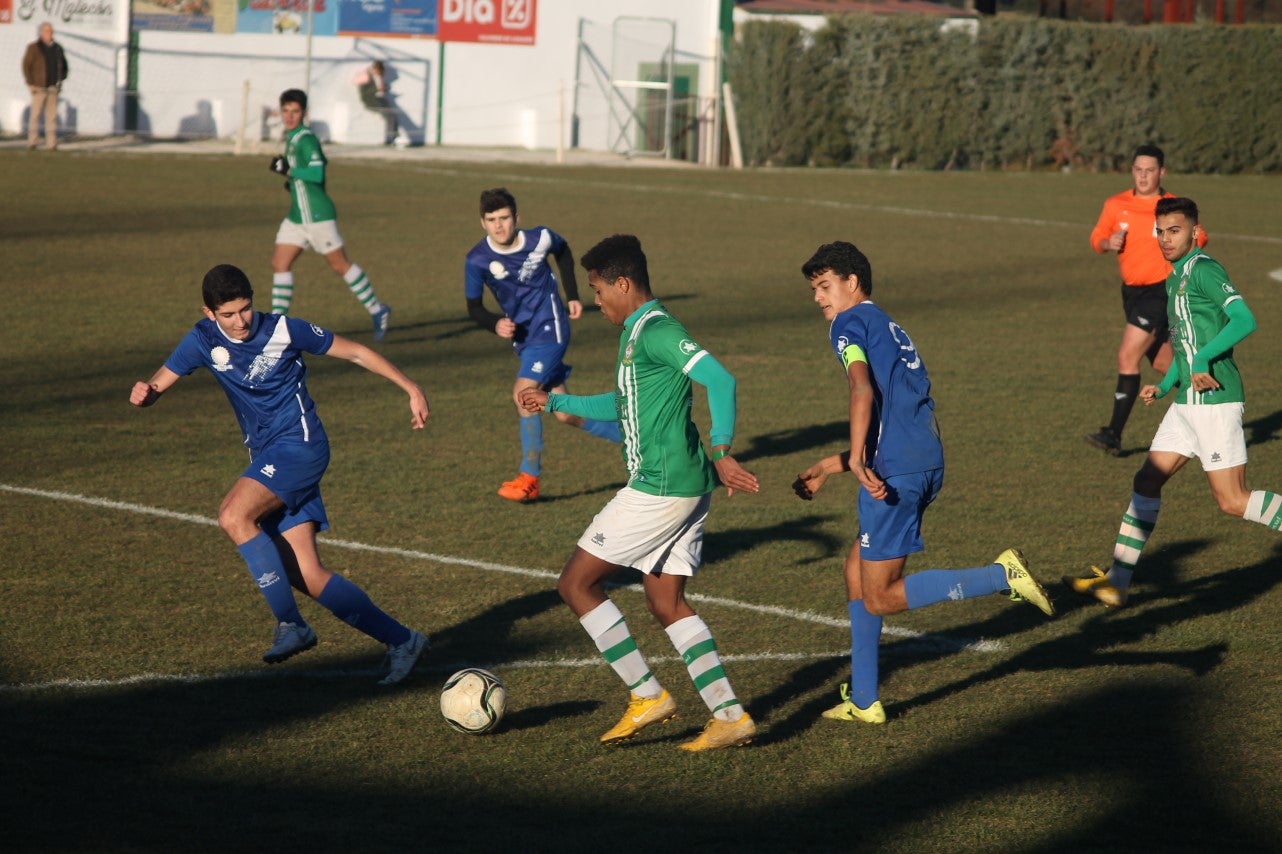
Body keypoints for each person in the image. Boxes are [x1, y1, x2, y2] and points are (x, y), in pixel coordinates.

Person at [129, 263, 430, 684]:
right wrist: (145, 394)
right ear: (209, 311)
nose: (239, 322)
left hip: (300, 446)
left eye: (245, 309)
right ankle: (403, 640)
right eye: (228, 314)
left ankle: (292, 626)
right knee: (304, 572)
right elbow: (159, 384)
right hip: (266, 454)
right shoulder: (202, 339)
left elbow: (356, 351)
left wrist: (411, 387)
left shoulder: (284, 330)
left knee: (234, 515)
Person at [793, 241, 1055, 725]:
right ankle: (866, 698)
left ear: (852, 283)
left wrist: (854, 458)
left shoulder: (847, 324)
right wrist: (834, 464)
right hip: (922, 458)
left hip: (896, 470)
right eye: (814, 289)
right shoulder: (888, 325)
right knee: (857, 569)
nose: (818, 298)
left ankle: (1001, 575)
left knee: (880, 596)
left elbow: (861, 389)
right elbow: (896, 408)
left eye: (824, 286)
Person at [517, 234, 760, 751]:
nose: (596, 299)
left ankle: (646, 694)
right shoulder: (635, 332)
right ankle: (729, 715)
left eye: (599, 289)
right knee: (664, 599)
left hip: (661, 487)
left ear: (622, 283)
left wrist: (723, 450)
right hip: (683, 485)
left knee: (576, 585)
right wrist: (555, 399)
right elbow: (623, 403)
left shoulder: (658, 332)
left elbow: (721, 380)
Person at [1068, 197, 1278, 607]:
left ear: (1195, 232)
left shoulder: (1204, 270)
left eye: (1175, 230)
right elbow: (1184, 348)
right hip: (1186, 403)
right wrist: (1164, 386)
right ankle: (1117, 581)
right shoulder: (1174, 278)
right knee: (1146, 480)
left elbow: (1245, 320)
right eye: (1161, 231)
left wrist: (1202, 360)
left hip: (1215, 401)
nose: (1166, 239)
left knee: (1232, 501)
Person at [465, 188, 621, 502]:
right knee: (564, 414)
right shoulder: (477, 260)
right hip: (524, 340)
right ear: (482, 223)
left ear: (517, 218)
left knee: (523, 395)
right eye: (492, 220)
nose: (500, 226)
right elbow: (474, 308)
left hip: (551, 330)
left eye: (505, 218)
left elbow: (562, 252)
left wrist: (573, 295)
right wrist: (494, 323)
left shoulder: (540, 239)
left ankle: (529, 477)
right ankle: (637, 441)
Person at [1086, 144, 1208, 455]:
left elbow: (1200, 237)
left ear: (1161, 172)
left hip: (1160, 291)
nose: (1143, 175)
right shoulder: (1116, 204)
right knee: (1165, 362)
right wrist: (1107, 241)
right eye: (1138, 170)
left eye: (1149, 170)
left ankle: (1113, 434)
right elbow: (1096, 237)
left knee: (1128, 356)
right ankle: (1210, 412)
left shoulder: (1170, 206)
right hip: (1131, 293)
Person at [269, 88, 392, 342]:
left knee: (339, 265)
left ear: (304, 113)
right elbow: (302, 176)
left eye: (295, 111)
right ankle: (276, 327)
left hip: (317, 216)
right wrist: (290, 181)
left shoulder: (306, 139)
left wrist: (289, 170)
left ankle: (378, 310)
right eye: (286, 111)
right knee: (280, 264)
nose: (290, 116)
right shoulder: (291, 137)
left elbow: (317, 175)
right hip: (297, 217)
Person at [21, 22, 69, 151]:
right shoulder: (34, 47)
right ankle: (32, 142)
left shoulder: (57, 48)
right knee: (35, 115)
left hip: (53, 87)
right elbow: (26, 66)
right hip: (38, 87)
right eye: (47, 31)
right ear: (41, 33)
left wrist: (61, 79)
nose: (49, 34)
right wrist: (30, 83)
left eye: (51, 31)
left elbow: (64, 66)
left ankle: (51, 143)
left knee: (51, 116)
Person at [355, 60, 399, 146]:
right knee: (390, 116)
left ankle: (393, 137)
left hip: (377, 99)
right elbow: (364, 94)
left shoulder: (373, 76)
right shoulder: (365, 76)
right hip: (371, 101)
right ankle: (391, 138)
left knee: (392, 115)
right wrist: (378, 89)